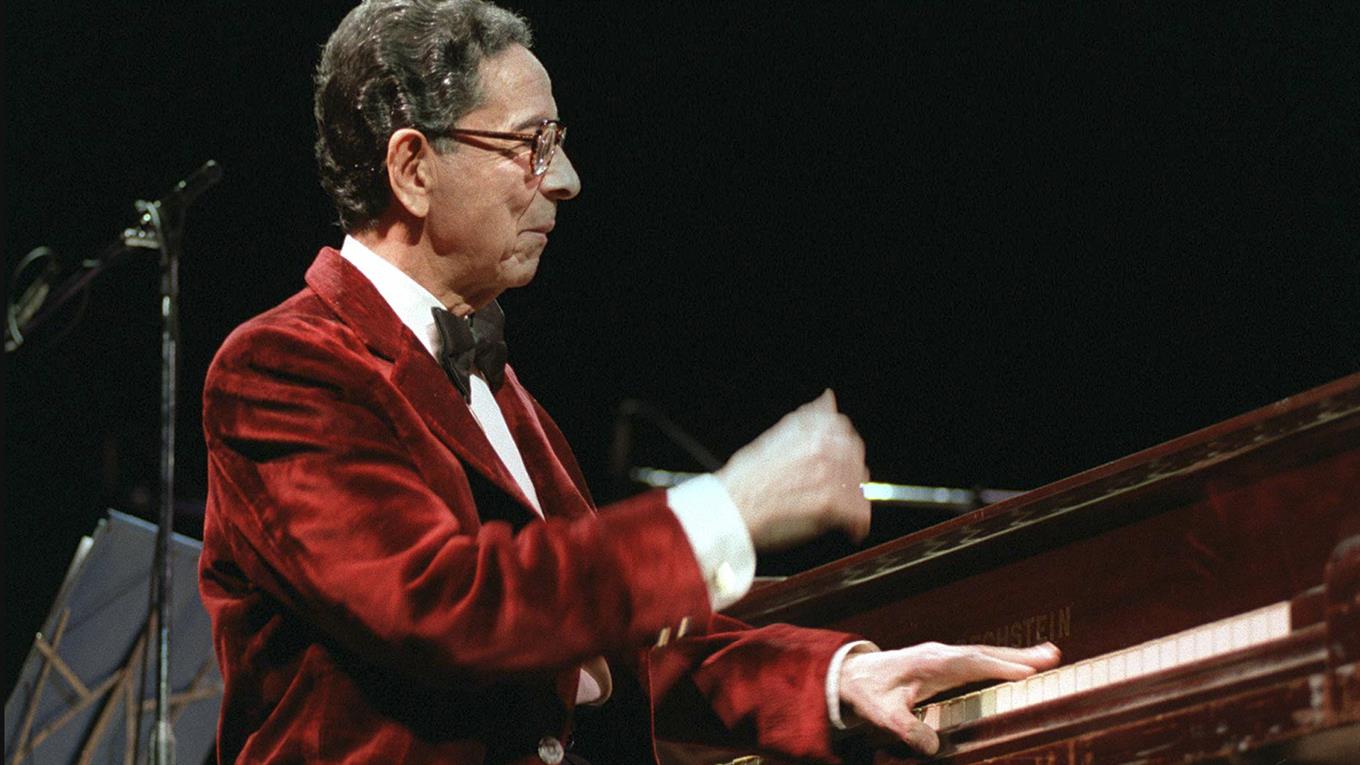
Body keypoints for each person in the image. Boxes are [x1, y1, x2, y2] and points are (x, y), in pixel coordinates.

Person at [198, 1, 1060, 762]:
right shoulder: (282, 367)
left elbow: (614, 636)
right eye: (532, 145)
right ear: (414, 168)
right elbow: (448, 607)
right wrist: (731, 505)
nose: (566, 180)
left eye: (558, 143)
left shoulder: (495, 379)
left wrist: (838, 678)